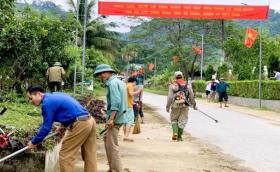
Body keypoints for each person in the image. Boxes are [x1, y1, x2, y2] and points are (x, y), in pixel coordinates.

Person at [26, 86, 97, 172]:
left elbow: (46, 127)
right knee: (90, 153)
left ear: (38, 94)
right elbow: (68, 109)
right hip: (90, 120)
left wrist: (34, 142)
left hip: (81, 124)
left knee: (66, 155)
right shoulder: (55, 95)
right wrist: (63, 125)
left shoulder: (47, 103)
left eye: (31, 98)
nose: (30, 102)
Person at [94, 64, 127, 172]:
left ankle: (117, 170)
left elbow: (116, 102)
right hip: (120, 116)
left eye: (100, 74)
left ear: (105, 72)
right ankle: (112, 168)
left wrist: (111, 119)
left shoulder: (112, 83)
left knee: (112, 145)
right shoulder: (118, 82)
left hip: (116, 118)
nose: (100, 77)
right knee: (107, 140)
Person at [166, 71, 197, 141]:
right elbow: (191, 97)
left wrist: (167, 106)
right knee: (182, 121)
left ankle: (175, 132)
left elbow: (170, 97)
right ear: (182, 76)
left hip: (175, 105)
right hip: (185, 105)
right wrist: (194, 105)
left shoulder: (172, 85)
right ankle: (179, 137)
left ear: (175, 77)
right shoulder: (188, 85)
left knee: (174, 119)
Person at [124, 77, 143, 142]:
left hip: (125, 105)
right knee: (129, 121)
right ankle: (126, 136)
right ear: (134, 81)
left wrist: (134, 103)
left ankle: (125, 135)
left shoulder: (126, 85)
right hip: (128, 106)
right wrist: (139, 91)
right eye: (135, 83)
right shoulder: (130, 85)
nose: (135, 84)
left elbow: (128, 97)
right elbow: (131, 94)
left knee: (125, 121)